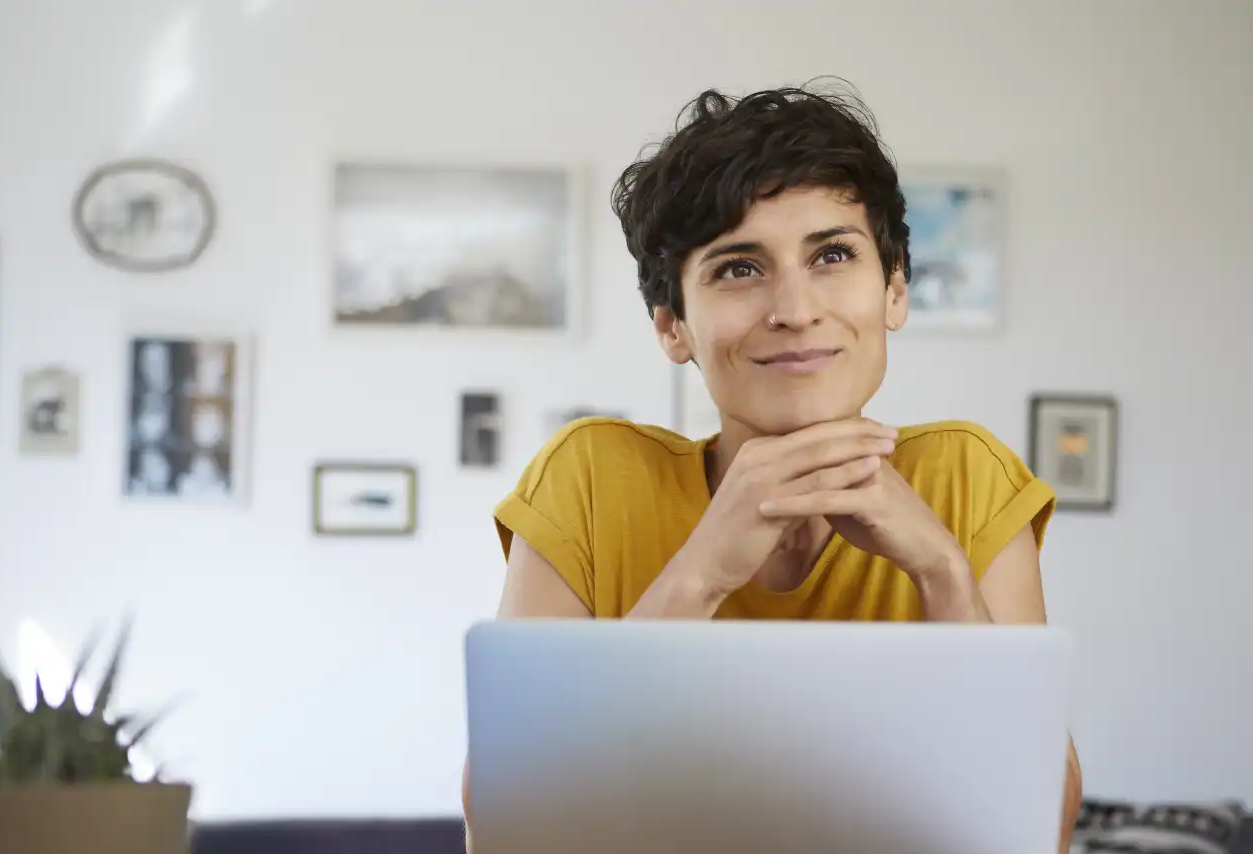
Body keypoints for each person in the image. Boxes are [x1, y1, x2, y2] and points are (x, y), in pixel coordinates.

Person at [462, 80, 1082, 852]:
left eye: (832, 255)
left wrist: (941, 571)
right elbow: (510, 830)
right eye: (738, 269)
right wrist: (701, 574)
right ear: (672, 326)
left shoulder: (966, 476)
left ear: (894, 291)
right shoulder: (588, 478)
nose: (794, 309)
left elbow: (1040, 832)